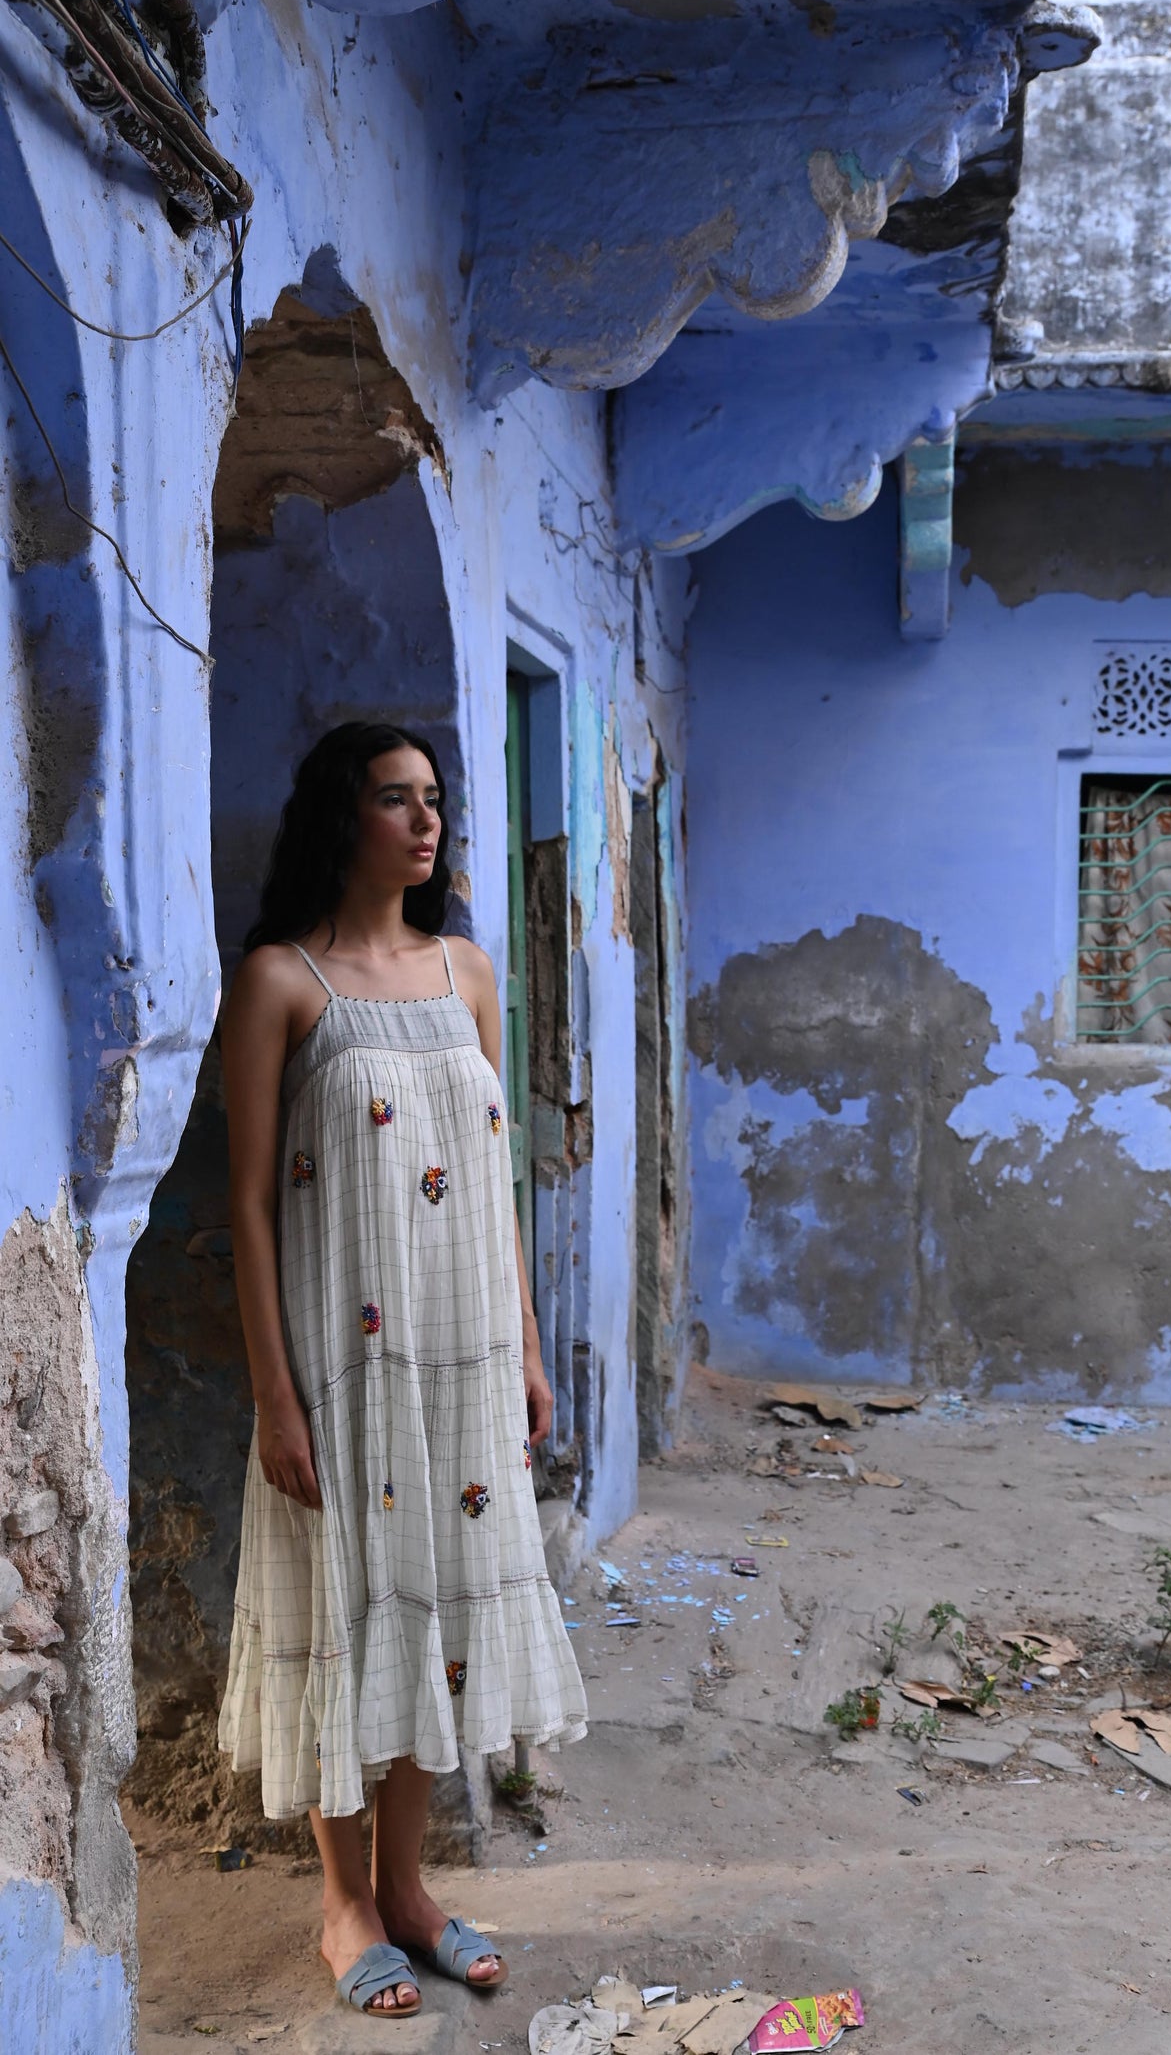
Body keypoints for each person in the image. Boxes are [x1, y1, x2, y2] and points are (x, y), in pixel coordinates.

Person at [217, 721, 587, 2018]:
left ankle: (414, 1886)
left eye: (433, 799)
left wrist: (530, 1350)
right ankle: (345, 1904)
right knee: (345, 1610)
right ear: (342, 816)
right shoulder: (282, 983)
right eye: (394, 799)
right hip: (343, 1367)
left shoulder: (469, 973)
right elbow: (249, 1204)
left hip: (465, 1360)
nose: (424, 822)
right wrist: (276, 1394)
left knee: (436, 1616)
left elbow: (499, 1181)